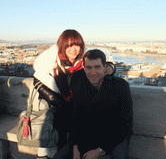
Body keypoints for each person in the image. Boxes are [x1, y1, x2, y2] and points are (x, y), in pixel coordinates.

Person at [33, 30, 115, 159]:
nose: (73, 49)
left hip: (79, 110)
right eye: (69, 45)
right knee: (61, 143)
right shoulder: (54, 63)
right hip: (59, 110)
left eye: (76, 45)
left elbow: (100, 63)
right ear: (62, 46)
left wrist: (110, 67)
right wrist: (58, 101)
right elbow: (39, 81)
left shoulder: (84, 62)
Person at [59, 49, 133, 159]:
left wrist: (100, 150)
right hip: (88, 134)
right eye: (88, 67)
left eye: (97, 67)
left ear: (105, 68)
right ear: (84, 69)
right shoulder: (79, 84)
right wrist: (76, 147)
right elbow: (76, 117)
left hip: (114, 136)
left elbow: (125, 125)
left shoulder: (120, 87)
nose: (93, 72)